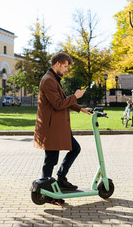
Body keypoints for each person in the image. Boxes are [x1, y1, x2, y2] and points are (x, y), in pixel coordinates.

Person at [34, 52, 91, 190]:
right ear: (57, 64)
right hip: (51, 128)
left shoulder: (54, 79)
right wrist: (75, 96)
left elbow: (63, 101)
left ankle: (60, 178)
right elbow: (58, 104)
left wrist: (80, 109)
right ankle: (44, 189)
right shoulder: (48, 80)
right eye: (65, 66)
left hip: (57, 128)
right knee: (51, 159)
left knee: (73, 149)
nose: (66, 69)